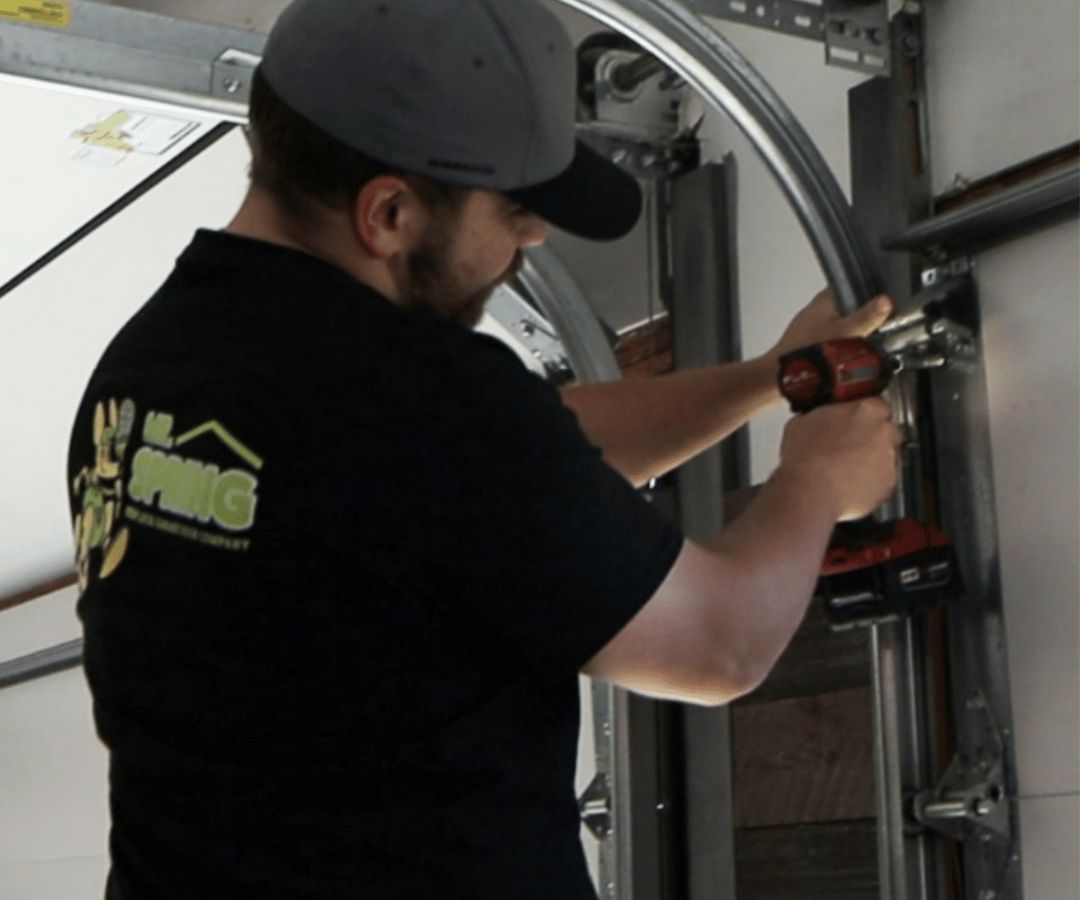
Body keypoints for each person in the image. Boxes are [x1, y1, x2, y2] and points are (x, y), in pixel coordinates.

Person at [66, 0, 900, 897]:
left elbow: (509, 472)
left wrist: (768, 379)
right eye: (514, 214)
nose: (531, 240)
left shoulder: (148, 369)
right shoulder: (422, 399)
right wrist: (815, 480)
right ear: (388, 212)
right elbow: (717, 645)